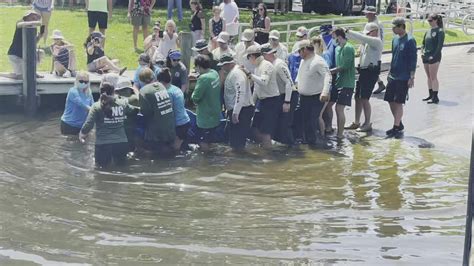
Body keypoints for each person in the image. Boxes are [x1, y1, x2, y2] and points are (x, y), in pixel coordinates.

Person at [79, 83, 138, 167]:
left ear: (100, 92)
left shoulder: (96, 106)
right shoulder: (122, 103)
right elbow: (134, 111)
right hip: (121, 143)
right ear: (114, 92)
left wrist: (82, 134)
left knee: (100, 170)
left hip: (103, 144)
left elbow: (89, 124)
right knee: (122, 169)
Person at [344, 23, 383, 132]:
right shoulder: (366, 42)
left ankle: (367, 122)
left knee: (365, 98)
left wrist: (348, 31)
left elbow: (362, 37)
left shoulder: (376, 41)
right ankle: (356, 122)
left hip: (371, 72)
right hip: (364, 71)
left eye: (369, 33)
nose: (367, 35)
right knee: (358, 97)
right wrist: (344, 33)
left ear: (375, 31)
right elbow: (358, 38)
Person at [384, 17, 417, 136]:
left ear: (401, 26)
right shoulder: (395, 40)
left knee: (398, 102)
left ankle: (396, 126)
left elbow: (413, 60)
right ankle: (399, 121)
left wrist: (411, 77)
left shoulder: (410, 40)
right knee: (389, 100)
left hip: (403, 77)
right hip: (393, 75)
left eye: (394, 27)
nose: (393, 29)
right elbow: (394, 57)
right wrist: (389, 72)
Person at [296, 40, 332, 145]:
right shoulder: (303, 61)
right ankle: (308, 143)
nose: (298, 54)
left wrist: (325, 92)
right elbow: (299, 76)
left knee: (312, 121)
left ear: (305, 50)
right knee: (304, 121)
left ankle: (314, 145)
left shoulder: (318, 61)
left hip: (315, 97)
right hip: (303, 97)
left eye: (299, 51)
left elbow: (328, 76)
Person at [261, 43, 297, 145]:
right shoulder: (270, 65)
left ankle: (290, 146)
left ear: (266, 54)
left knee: (285, 123)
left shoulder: (279, 64)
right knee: (280, 123)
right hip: (280, 96)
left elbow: (289, 83)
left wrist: (287, 101)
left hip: (289, 95)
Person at [244, 45, 280, 149]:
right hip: (262, 101)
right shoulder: (257, 67)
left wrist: (249, 74)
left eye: (248, 57)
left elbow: (264, 82)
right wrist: (252, 104)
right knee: (255, 127)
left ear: (252, 56)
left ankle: (268, 153)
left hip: (271, 101)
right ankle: (265, 146)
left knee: (266, 131)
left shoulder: (266, 65)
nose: (248, 60)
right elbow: (256, 89)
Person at [219, 54, 254, 150]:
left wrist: (235, 113)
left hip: (241, 111)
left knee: (237, 143)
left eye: (223, 65)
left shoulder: (236, 74)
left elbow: (240, 92)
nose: (222, 68)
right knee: (235, 140)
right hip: (239, 110)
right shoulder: (236, 72)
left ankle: (241, 160)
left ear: (228, 64)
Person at [139, 67, 177, 154]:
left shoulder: (144, 91)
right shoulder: (161, 86)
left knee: (157, 154)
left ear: (141, 80)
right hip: (170, 126)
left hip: (157, 131)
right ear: (153, 76)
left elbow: (145, 112)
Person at [191, 55, 222, 152]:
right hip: (216, 114)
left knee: (203, 142)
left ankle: (207, 162)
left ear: (199, 67)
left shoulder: (203, 78)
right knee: (210, 140)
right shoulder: (214, 73)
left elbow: (195, 97)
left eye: (195, 67)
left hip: (206, 118)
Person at [157, 68, 191, 151]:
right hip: (185, 121)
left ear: (160, 81)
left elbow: (169, 111)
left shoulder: (167, 93)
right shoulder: (176, 89)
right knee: (183, 147)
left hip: (178, 125)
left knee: (175, 148)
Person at [330, 28, 356, 140]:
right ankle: (337, 132)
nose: (332, 39)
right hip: (338, 82)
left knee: (339, 108)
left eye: (333, 36)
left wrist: (330, 71)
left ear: (338, 36)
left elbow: (345, 66)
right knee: (336, 108)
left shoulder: (348, 48)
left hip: (347, 83)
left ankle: (340, 135)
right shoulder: (337, 49)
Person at [3, 11, 42, 80]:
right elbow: (21, 24)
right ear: (26, 17)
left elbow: (31, 43)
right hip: (16, 54)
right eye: (32, 16)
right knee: (20, 77)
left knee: (40, 52)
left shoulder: (33, 28)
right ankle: (3, 74)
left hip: (25, 54)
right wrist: (35, 23)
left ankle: (33, 72)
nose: (35, 18)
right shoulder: (20, 22)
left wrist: (39, 37)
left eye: (36, 17)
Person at [362, 6, 386, 95]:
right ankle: (379, 83)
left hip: (375, 48)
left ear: (372, 13)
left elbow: (380, 37)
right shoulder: (369, 23)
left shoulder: (378, 24)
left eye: (367, 13)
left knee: (372, 67)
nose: (365, 14)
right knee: (368, 65)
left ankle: (377, 83)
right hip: (368, 47)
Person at [421, 13, 445, 104]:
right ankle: (430, 94)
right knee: (428, 76)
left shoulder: (440, 31)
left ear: (435, 20)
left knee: (433, 77)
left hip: (434, 57)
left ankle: (435, 97)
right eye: (428, 21)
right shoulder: (428, 31)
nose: (429, 22)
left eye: (430, 20)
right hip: (426, 56)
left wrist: (433, 56)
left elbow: (439, 47)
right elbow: (423, 43)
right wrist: (422, 51)